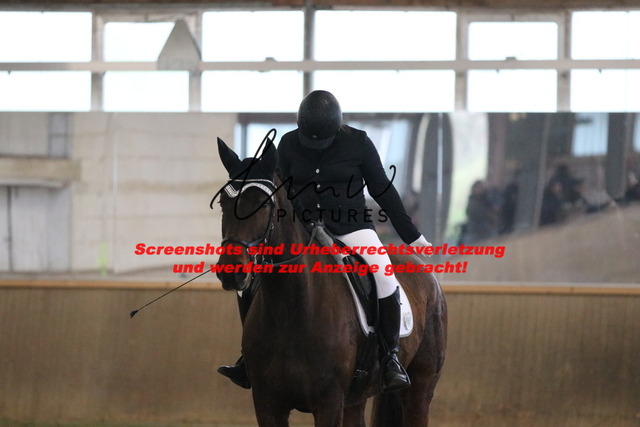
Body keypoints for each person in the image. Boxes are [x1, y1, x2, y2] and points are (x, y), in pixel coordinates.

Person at [217, 90, 432, 393]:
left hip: (351, 227)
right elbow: (276, 189)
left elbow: (382, 189)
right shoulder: (289, 143)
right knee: (251, 280)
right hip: (302, 230)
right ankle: (248, 357)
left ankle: (390, 357)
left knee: (384, 275)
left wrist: (411, 235)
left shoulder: (359, 143)